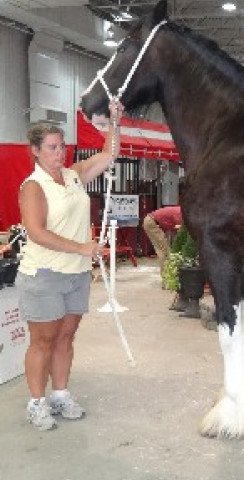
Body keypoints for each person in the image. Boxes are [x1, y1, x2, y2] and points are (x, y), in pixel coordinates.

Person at [15, 99, 123, 431]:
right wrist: (82, 247)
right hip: (44, 274)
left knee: (66, 337)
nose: (60, 153)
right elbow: (36, 232)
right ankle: (36, 403)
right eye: (51, 148)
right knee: (43, 341)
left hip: (76, 273)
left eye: (62, 146)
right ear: (35, 150)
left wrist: (115, 122)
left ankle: (60, 394)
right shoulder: (34, 186)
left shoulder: (73, 175)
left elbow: (109, 155)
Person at [142, 205, 182, 279]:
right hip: (152, 223)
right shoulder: (180, 212)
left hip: (152, 222)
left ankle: (167, 278)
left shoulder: (180, 210)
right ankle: (166, 280)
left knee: (164, 250)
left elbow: (175, 231)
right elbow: (179, 228)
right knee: (164, 251)